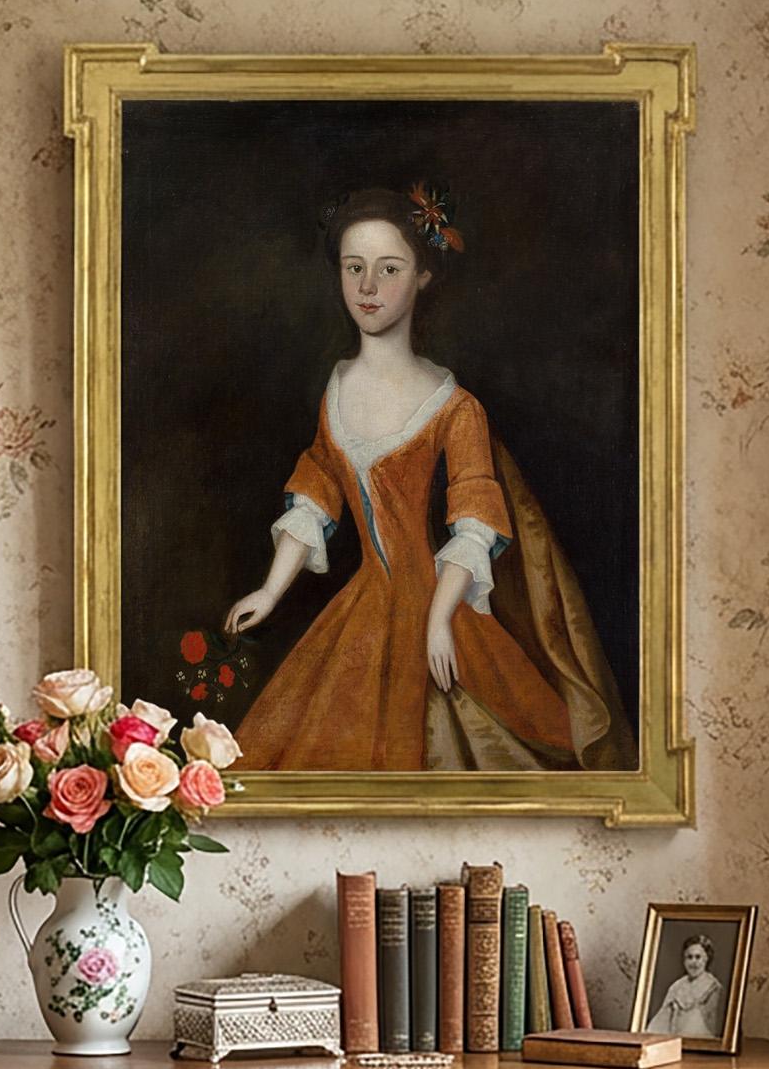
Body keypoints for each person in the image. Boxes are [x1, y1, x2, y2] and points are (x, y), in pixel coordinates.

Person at [222, 184, 631, 772]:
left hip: (440, 609)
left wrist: (439, 619)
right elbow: (316, 495)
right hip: (362, 610)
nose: (367, 287)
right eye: (353, 267)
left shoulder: (456, 407)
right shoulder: (335, 389)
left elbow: (475, 523)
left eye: (388, 269)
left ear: (422, 277)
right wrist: (269, 589)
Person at [650, 934, 726, 1039]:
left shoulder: (713, 988)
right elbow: (660, 1022)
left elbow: (714, 1027)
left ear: (706, 959)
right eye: (689, 957)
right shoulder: (676, 987)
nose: (693, 962)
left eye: (698, 957)